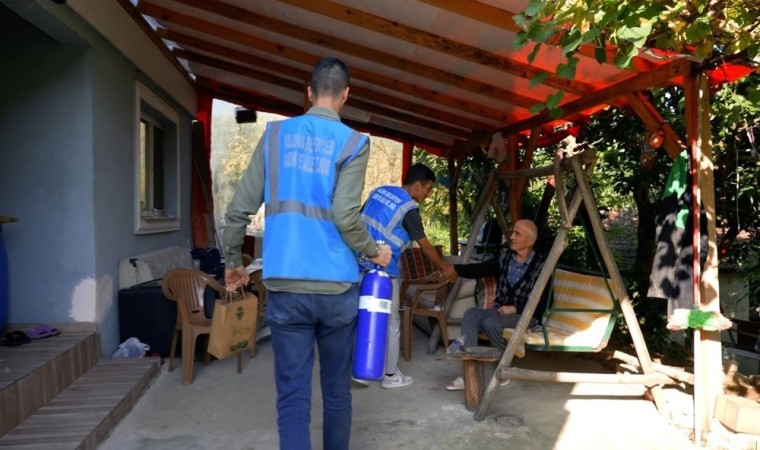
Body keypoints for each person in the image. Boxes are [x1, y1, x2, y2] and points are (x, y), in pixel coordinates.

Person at [222, 57, 391, 450]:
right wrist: (374, 252)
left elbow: (237, 211)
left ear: (309, 92)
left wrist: (234, 263)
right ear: (345, 96)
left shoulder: (275, 136)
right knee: (336, 393)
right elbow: (346, 216)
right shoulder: (354, 142)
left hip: (286, 289)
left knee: (293, 398)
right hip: (336, 290)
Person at [359, 163, 457, 388]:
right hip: (384, 272)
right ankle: (391, 376)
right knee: (391, 323)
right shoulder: (408, 209)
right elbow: (426, 247)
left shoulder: (379, 191)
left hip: (359, 264)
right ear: (417, 185)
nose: (428, 194)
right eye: (428, 189)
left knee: (363, 318)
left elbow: (359, 218)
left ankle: (363, 368)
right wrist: (445, 267)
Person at [445, 219, 548, 391]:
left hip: (526, 315)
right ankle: (469, 371)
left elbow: (544, 303)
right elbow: (480, 269)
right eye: (512, 232)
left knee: (490, 323)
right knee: (471, 314)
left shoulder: (541, 265)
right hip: (501, 312)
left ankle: (504, 367)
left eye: (517, 234)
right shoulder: (506, 257)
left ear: (529, 241)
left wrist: (516, 308)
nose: (512, 237)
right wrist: (454, 268)